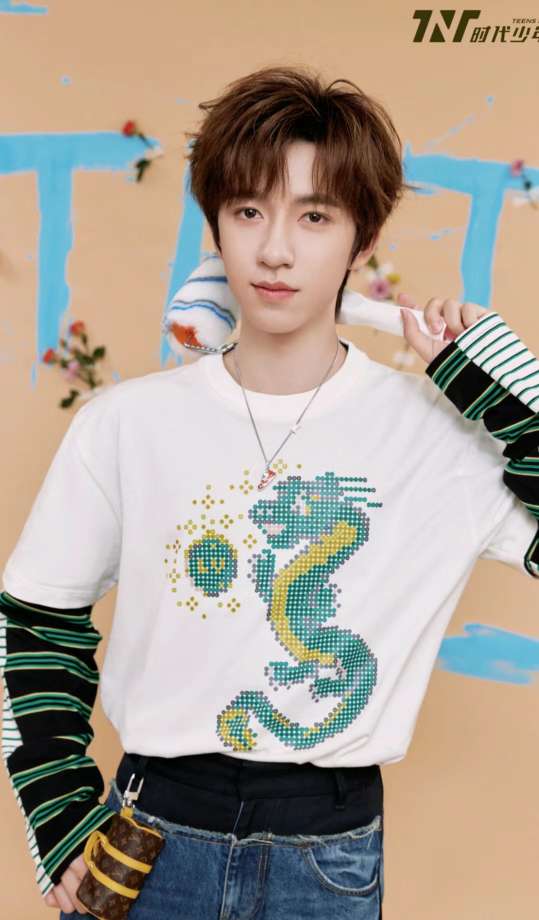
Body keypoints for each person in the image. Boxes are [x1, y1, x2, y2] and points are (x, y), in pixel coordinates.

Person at [1, 64, 537, 920]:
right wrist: (61, 822)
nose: (275, 250)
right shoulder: (127, 424)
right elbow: (36, 620)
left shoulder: (438, 437)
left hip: (325, 858)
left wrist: (508, 394)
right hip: (146, 841)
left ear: (362, 238)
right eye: (248, 211)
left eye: (313, 216)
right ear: (215, 224)